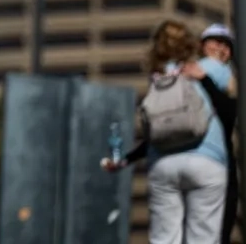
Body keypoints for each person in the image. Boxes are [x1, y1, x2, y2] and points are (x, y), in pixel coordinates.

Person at [101, 20, 232, 244]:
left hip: (162, 164)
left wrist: (125, 160)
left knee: (164, 239)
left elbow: (156, 130)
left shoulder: (159, 78)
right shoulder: (209, 67)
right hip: (206, 158)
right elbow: (237, 95)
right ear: (193, 44)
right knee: (203, 238)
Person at [198, 24, 238, 244]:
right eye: (215, 41)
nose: (221, 48)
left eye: (226, 45)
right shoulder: (223, 75)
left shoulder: (184, 72)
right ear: (202, 46)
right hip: (215, 166)